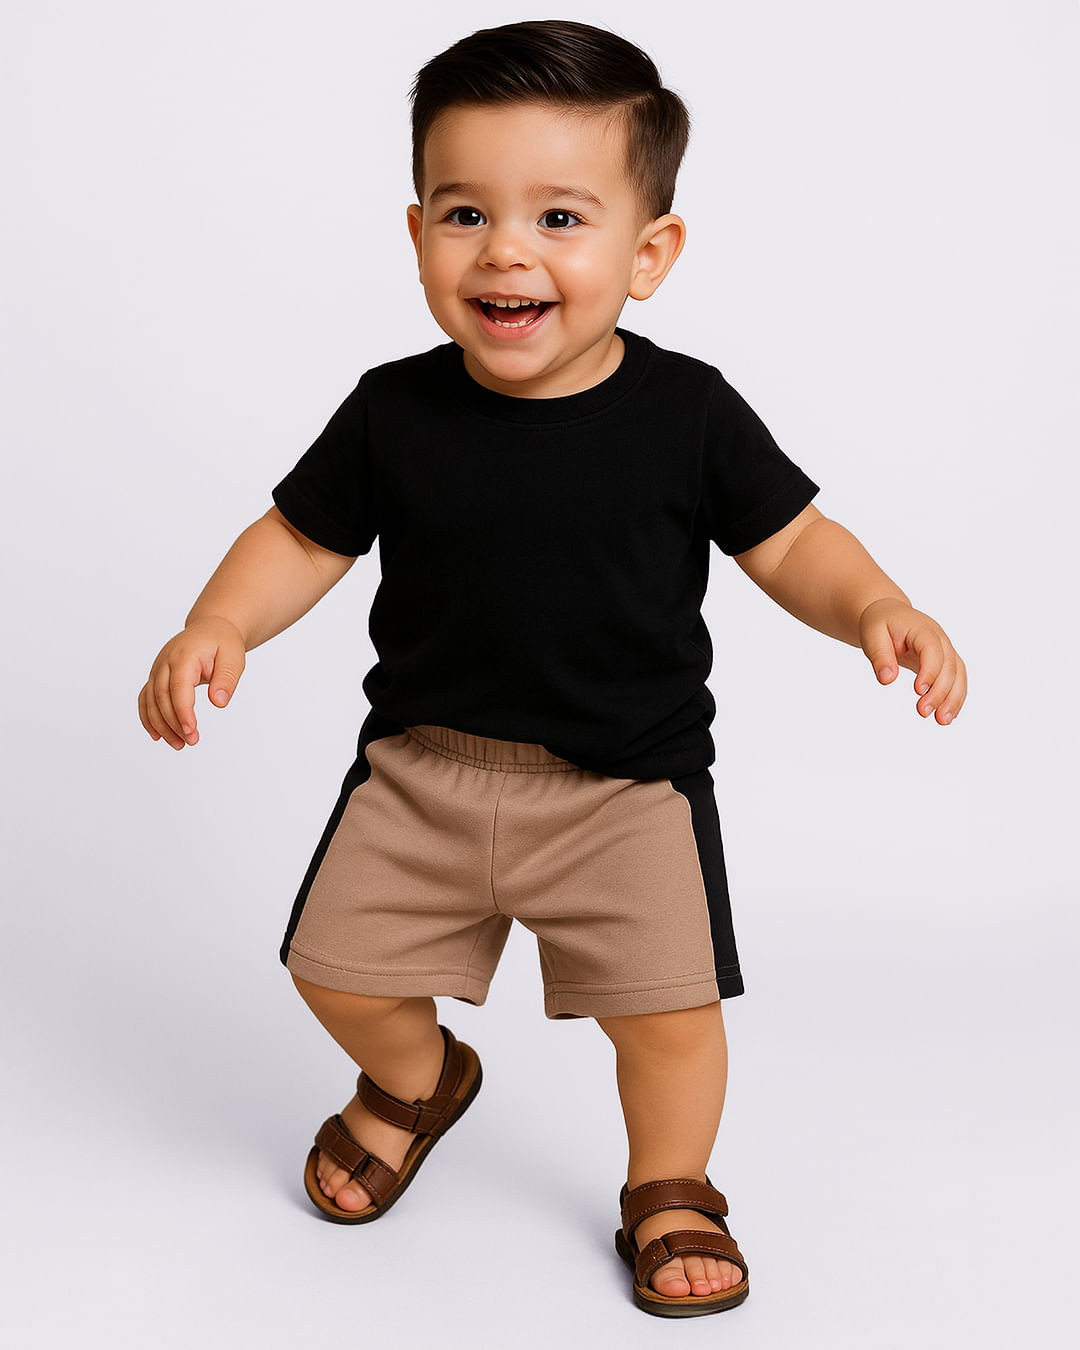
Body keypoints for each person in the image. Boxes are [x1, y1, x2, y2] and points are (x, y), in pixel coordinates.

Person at [137, 19, 967, 1320]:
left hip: (625, 791)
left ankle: (672, 1184)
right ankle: (414, 1079)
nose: (506, 249)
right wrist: (219, 622)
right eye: (465, 212)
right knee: (333, 966)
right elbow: (298, 538)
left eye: (560, 218)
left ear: (650, 254)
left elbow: (793, 538)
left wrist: (876, 604)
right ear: (416, 232)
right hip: (424, 770)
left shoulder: (688, 412)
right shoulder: (393, 409)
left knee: (670, 1018)